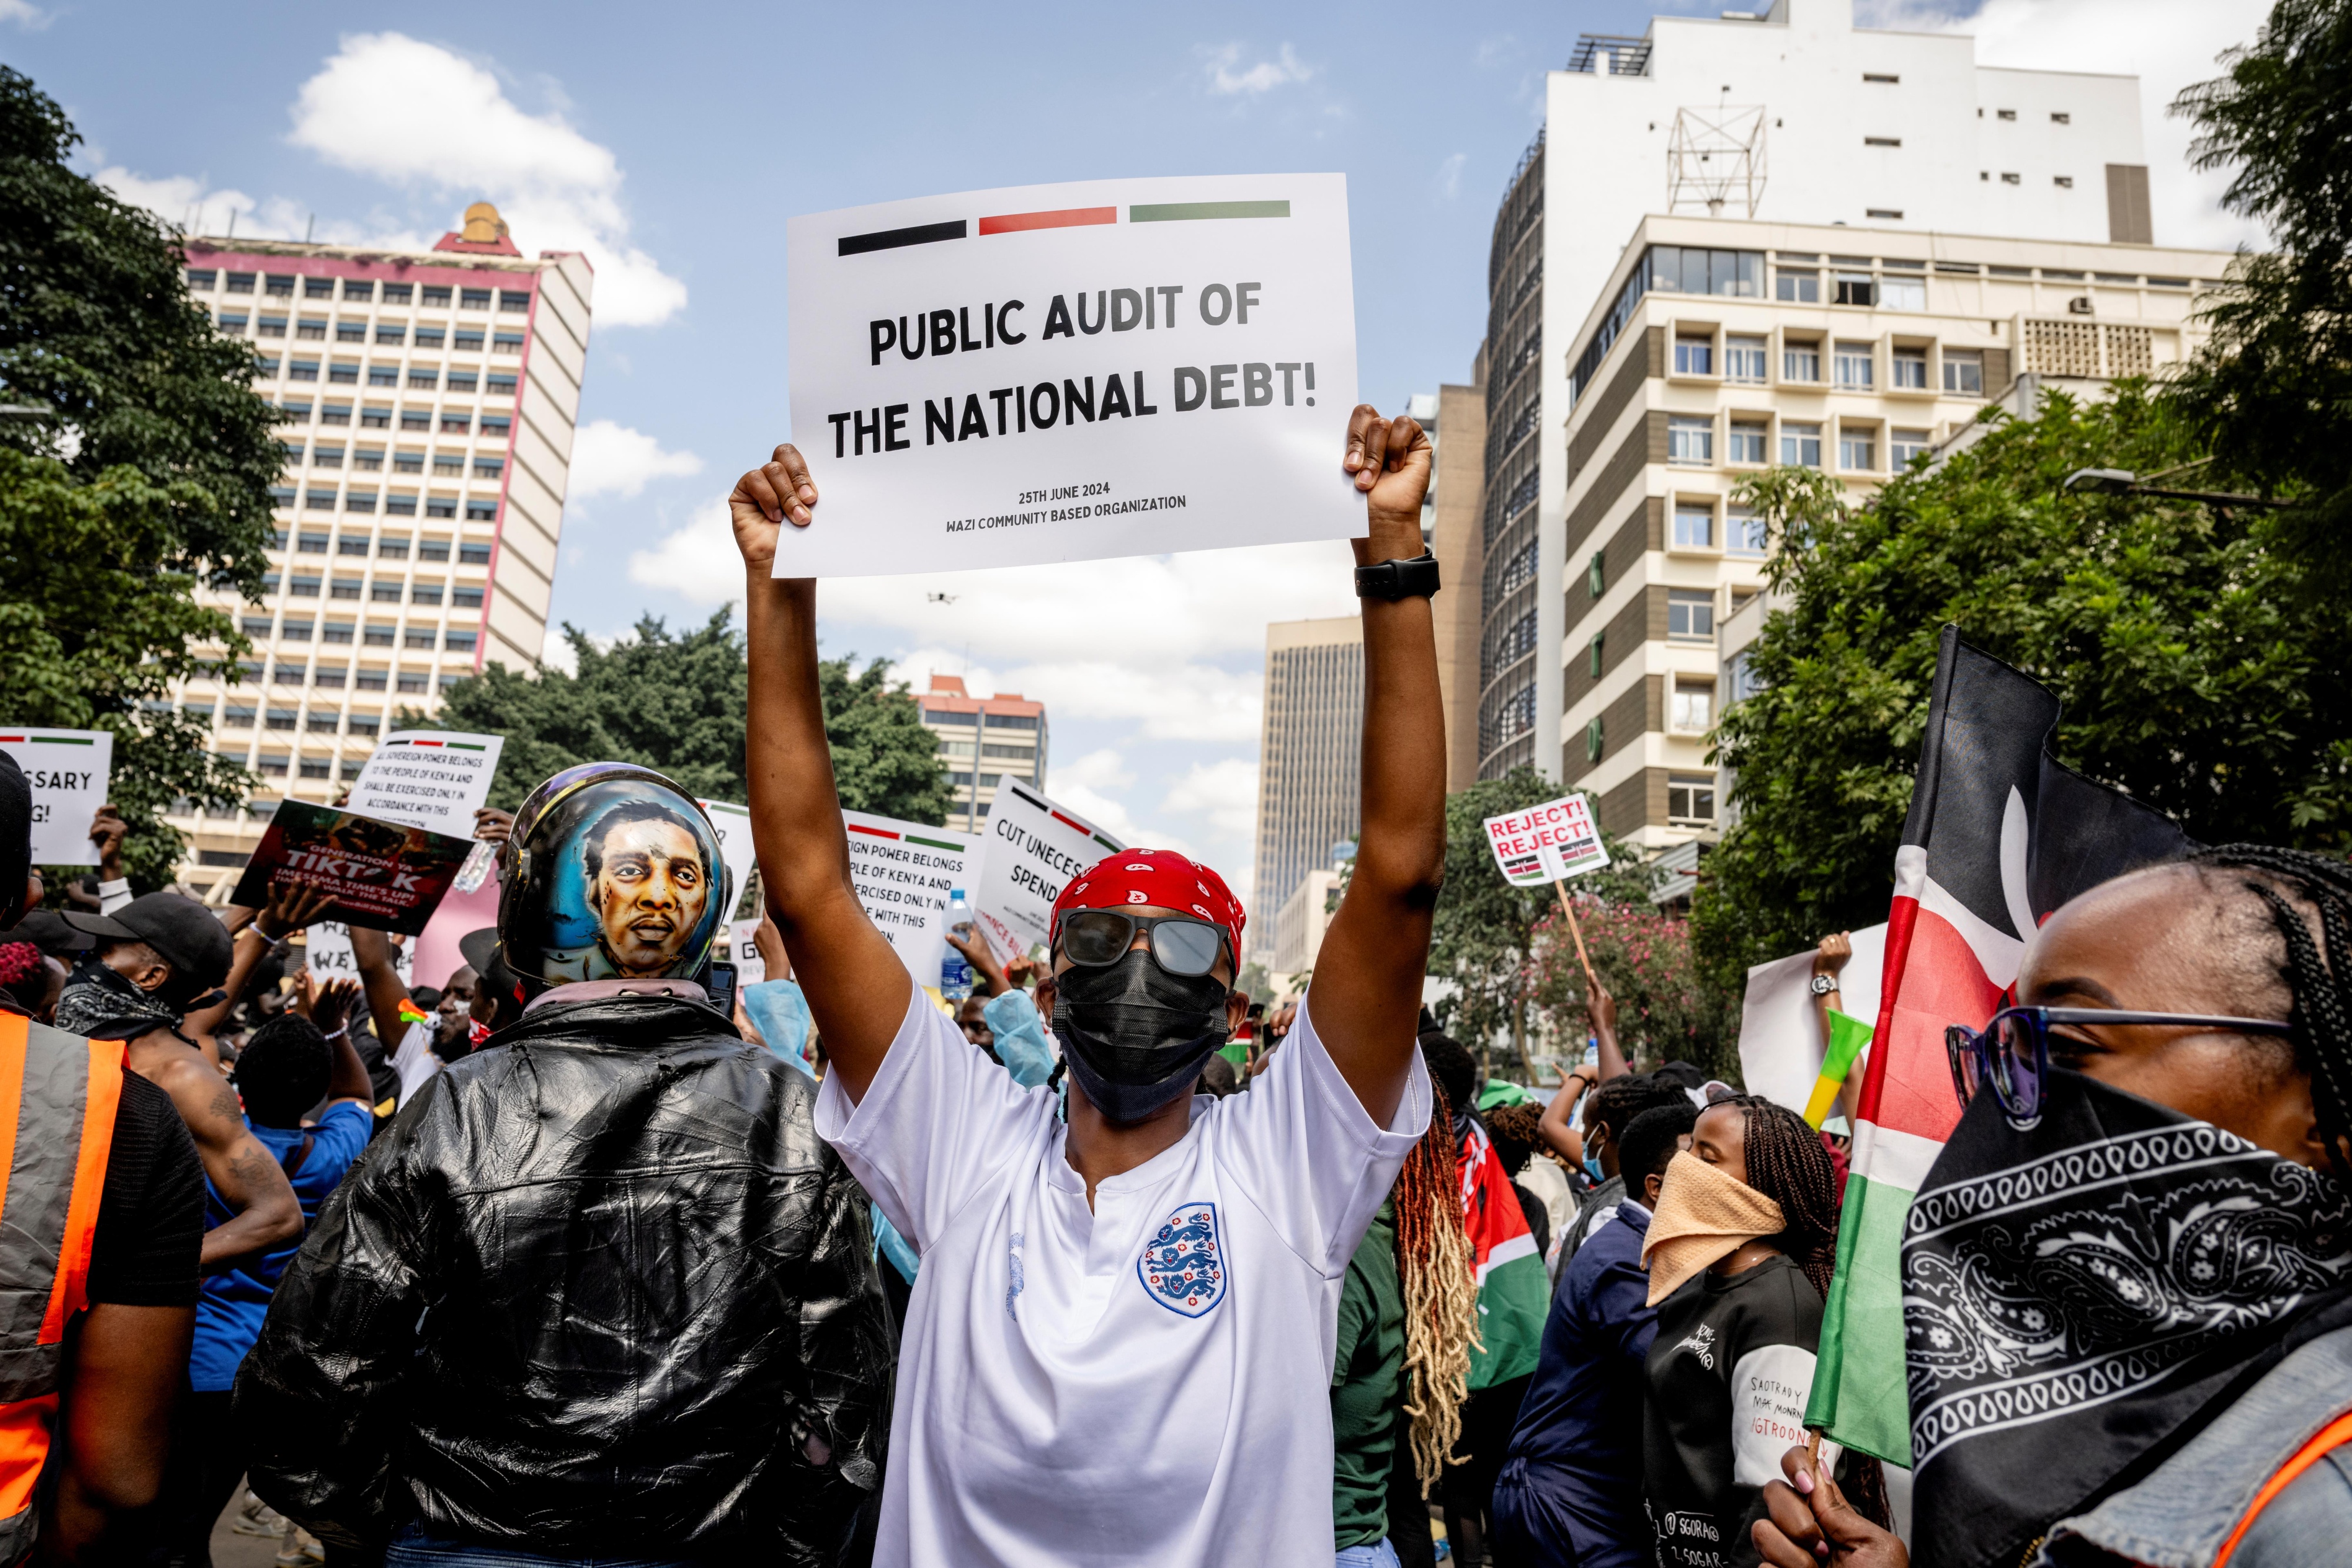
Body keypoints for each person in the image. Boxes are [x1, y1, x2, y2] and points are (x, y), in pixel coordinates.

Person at [728, 406, 1443, 1566]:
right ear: (1049, 991)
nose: (1140, 970)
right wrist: (780, 583)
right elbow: (807, 892)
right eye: (1105, 942)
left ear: (1232, 1010)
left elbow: (1401, 875)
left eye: (1182, 950)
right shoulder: (959, 1147)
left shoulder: (1287, 1168)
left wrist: (1394, 551)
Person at [235, 763, 897, 1564]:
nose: (656, 896)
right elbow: (844, 1399)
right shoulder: (796, 1107)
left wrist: (398, 1531)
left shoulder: (455, 1103)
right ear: (569, 894)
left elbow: (312, 1378)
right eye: (628, 872)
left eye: (680, 874)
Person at [1753, 845, 2352, 1568]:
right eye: (1999, 1056)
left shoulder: (2324, 1516)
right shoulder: (2153, 1408)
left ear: (2319, 1106)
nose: (2003, 1113)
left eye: (2065, 1049)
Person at [0, 752, 208, 1564]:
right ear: (23, 898)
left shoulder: (166, 1091)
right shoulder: (116, 1112)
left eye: (109, 955)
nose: (92, 967)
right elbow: (116, 1475)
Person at [155, 986, 376, 1568]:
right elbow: (356, 1092)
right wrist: (336, 1031)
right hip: (266, 1370)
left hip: (185, 1358)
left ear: (239, 1084)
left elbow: (191, 1043)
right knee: (194, 1517)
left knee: (170, 1527)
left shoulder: (202, 1143)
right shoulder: (331, 1153)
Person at [1640, 1095, 1857, 1568]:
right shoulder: (1695, 1288)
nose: (1683, 1166)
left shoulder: (1782, 1311)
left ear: (1760, 1188)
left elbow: (1771, 1506)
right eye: (1689, 1148)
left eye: (1707, 1156)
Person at [55, 889, 307, 1269]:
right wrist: (261, 927)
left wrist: (140, 1276)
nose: (84, 963)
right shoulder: (86, 1043)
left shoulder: (184, 1078)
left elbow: (279, 1217)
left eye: (103, 952)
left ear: (151, 977)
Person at [1491, 1100, 1696, 1568]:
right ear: (1656, 1188)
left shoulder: (1651, 1250)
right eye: (1700, 1164)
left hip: (1593, 1498)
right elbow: (1675, 1373)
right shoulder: (1624, 1259)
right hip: (1568, 1501)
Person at [1417, 1035, 1546, 1568]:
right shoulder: (1479, 1148)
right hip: (1511, 1350)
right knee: (1496, 1478)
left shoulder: (1419, 1160)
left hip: (1450, 1357)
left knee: (1461, 1490)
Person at [1333, 1194, 1407, 1568]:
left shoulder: (1347, 1249)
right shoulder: (1371, 1229)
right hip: (1357, 1541)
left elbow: (1295, 1408)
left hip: (1338, 1542)